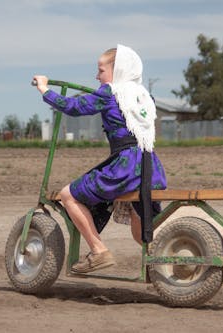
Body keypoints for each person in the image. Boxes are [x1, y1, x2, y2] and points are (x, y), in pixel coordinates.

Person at [33, 44, 167, 274]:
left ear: (119, 70)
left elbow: (73, 107)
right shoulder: (145, 96)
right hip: (148, 168)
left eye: (101, 70)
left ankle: (98, 250)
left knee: (68, 195)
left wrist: (45, 90)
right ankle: (165, 262)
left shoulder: (109, 93)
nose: (97, 76)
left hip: (125, 168)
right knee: (140, 228)